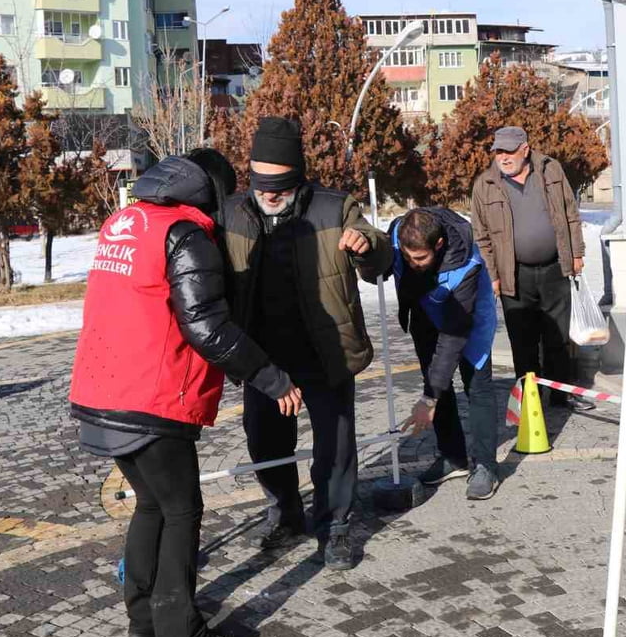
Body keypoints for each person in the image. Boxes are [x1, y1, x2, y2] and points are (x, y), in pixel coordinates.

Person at [69, 149, 302, 637]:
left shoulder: (124, 221)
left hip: (100, 390)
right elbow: (206, 326)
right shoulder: (184, 234)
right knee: (181, 510)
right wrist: (271, 378)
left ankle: (144, 619)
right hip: (149, 398)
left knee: (152, 504)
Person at [220, 117, 391, 571]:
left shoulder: (335, 208)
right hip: (262, 356)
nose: (270, 194)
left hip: (325, 350)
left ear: (299, 177)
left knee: (334, 447)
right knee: (264, 442)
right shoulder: (233, 211)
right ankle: (286, 513)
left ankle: (334, 526)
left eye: (280, 185)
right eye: (261, 184)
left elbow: (381, 254)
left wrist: (367, 246)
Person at [470, 126, 592, 410]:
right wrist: (492, 276)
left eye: (509, 151)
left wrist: (576, 252)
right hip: (514, 274)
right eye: (498, 151)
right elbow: (482, 236)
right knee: (522, 342)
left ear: (525, 149)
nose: (503, 157)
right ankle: (528, 398)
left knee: (558, 338)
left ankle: (562, 394)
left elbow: (570, 213)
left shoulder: (551, 171)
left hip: (554, 268)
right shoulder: (484, 184)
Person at [390, 207, 500, 500]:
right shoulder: (399, 234)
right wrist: (365, 255)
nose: (412, 264)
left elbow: (453, 336)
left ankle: (486, 466)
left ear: (438, 246)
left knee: (477, 387)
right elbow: (379, 263)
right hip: (425, 312)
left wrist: (429, 398)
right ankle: (454, 457)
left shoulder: (467, 265)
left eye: (420, 258)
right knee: (434, 380)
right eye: (407, 256)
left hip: (467, 318)